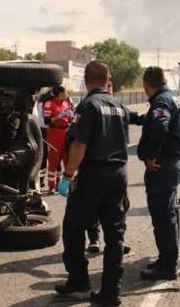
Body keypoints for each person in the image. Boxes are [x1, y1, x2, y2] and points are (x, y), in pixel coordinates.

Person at [55, 60, 130, 306]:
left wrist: (67, 176)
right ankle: (111, 291)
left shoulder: (88, 106)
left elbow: (79, 145)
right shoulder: (119, 105)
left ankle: (79, 281)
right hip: (118, 174)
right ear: (107, 78)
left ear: (86, 80)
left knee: (73, 227)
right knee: (115, 233)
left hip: (93, 175)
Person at [137, 67, 180, 280]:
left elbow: (159, 126)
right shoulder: (174, 98)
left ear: (147, 85)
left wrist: (150, 156)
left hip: (163, 166)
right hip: (173, 163)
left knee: (162, 217)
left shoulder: (161, 101)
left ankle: (167, 266)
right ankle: (167, 258)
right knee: (169, 213)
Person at [43, 85, 74, 194]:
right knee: (53, 159)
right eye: (65, 92)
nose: (67, 94)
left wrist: (72, 117)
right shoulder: (49, 103)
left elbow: (71, 118)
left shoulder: (66, 103)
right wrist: (59, 116)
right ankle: (52, 186)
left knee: (67, 159)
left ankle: (67, 184)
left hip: (66, 132)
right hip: (54, 133)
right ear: (59, 93)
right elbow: (47, 121)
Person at [35, 88, 53, 189]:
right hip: (48, 129)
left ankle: (41, 180)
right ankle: (42, 179)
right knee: (47, 155)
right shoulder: (48, 99)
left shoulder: (41, 98)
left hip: (40, 127)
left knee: (43, 154)